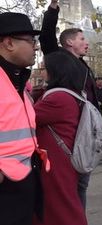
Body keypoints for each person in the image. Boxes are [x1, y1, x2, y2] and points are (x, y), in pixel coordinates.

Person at [40, 0, 100, 208]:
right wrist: (53, 7)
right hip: (69, 131)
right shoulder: (58, 57)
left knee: (81, 184)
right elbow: (46, 36)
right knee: (73, 186)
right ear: (69, 43)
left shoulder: (83, 65)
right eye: (82, 38)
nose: (87, 42)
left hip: (85, 129)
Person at [0, 12, 47, 225]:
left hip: (24, 181)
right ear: (9, 43)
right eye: (30, 41)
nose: (35, 47)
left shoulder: (17, 79)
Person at [33, 51, 88, 225]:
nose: (41, 72)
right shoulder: (69, 93)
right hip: (60, 158)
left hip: (55, 161)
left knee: (61, 207)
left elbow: (29, 117)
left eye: (43, 68)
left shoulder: (58, 97)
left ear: (55, 71)